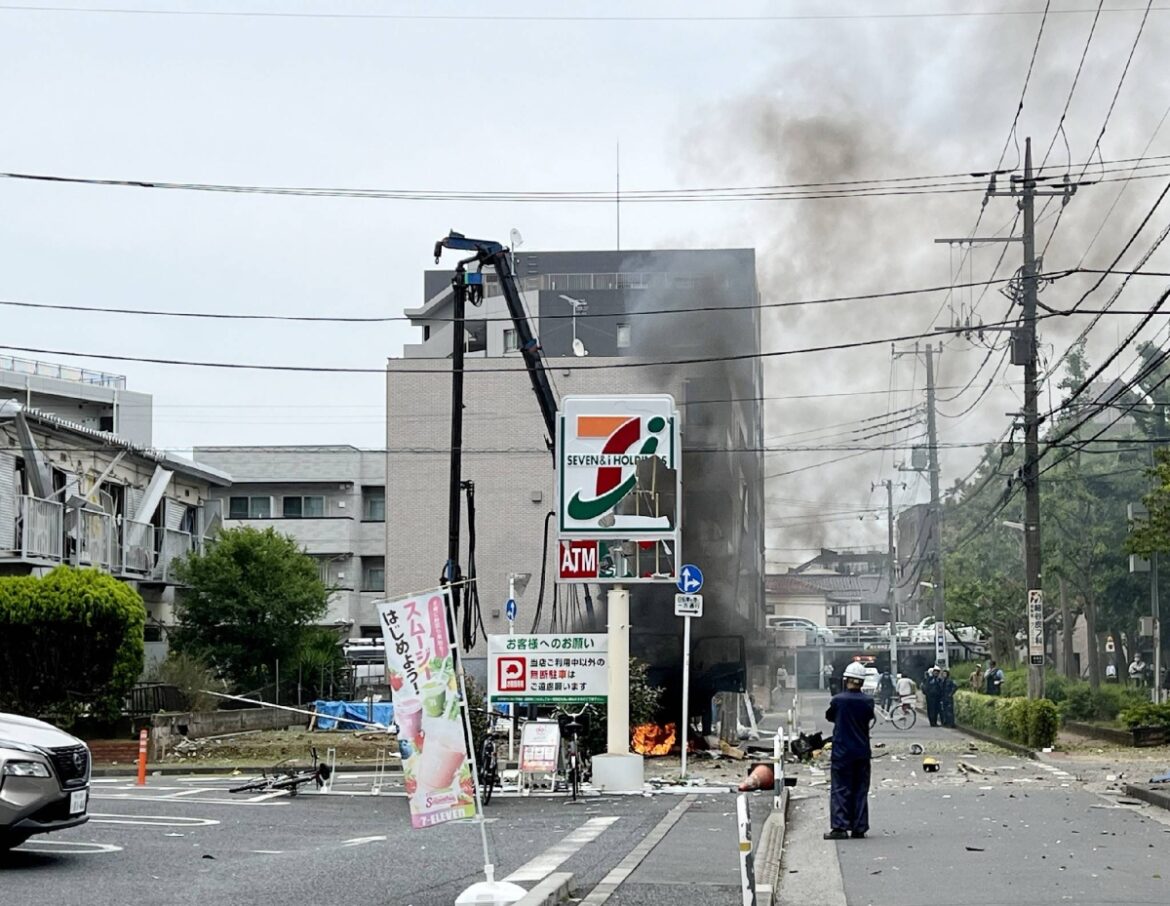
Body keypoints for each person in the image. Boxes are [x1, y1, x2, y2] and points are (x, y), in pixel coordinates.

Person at [824, 661, 874, 840]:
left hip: (842, 751)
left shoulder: (838, 700)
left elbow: (830, 716)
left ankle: (840, 827)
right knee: (860, 788)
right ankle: (859, 827)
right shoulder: (868, 701)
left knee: (840, 788)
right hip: (862, 751)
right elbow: (869, 718)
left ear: (846, 680)